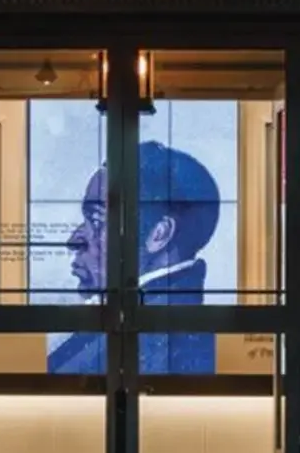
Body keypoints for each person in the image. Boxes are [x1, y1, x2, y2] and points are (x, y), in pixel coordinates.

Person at [47, 139, 220, 375]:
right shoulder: (145, 319)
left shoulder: (159, 339)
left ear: (159, 234)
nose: (75, 239)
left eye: (97, 221)